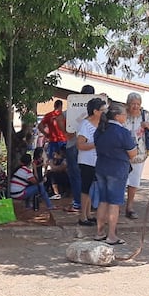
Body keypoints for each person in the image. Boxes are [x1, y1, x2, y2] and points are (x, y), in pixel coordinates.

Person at [93, 102, 138, 245]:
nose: (126, 117)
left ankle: (99, 232)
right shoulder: (123, 133)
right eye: (124, 114)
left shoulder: (100, 130)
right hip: (117, 169)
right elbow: (132, 153)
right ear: (118, 116)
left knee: (103, 200)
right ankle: (111, 235)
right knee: (114, 202)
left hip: (101, 167)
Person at [123, 92, 149, 220]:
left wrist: (148, 126)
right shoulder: (122, 114)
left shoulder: (145, 115)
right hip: (122, 154)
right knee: (120, 180)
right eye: (133, 103)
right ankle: (116, 207)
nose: (135, 106)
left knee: (134, 181)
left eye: (137, 104)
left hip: (139, 154)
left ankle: (129, 207)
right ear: (128, 104)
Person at [63, 85, 95, 213]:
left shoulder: (73, 107)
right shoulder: (96, 107)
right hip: (90, 146)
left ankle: (78, 203)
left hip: (73, 144)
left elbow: (60, 118)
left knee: (76, 176)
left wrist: (67, 132)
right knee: (89, 176)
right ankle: (88, 204)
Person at [76, 98, 106, 226]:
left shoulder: (102, 123)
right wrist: (96, 144)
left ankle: (88, 214)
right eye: (102, 110)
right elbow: (80, 145)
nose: (105, 112)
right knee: (85, 189)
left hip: (97, 161)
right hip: (86, 161)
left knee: (91, 189)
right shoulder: (85, 125)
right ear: (95, 111)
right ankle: (82, 216)